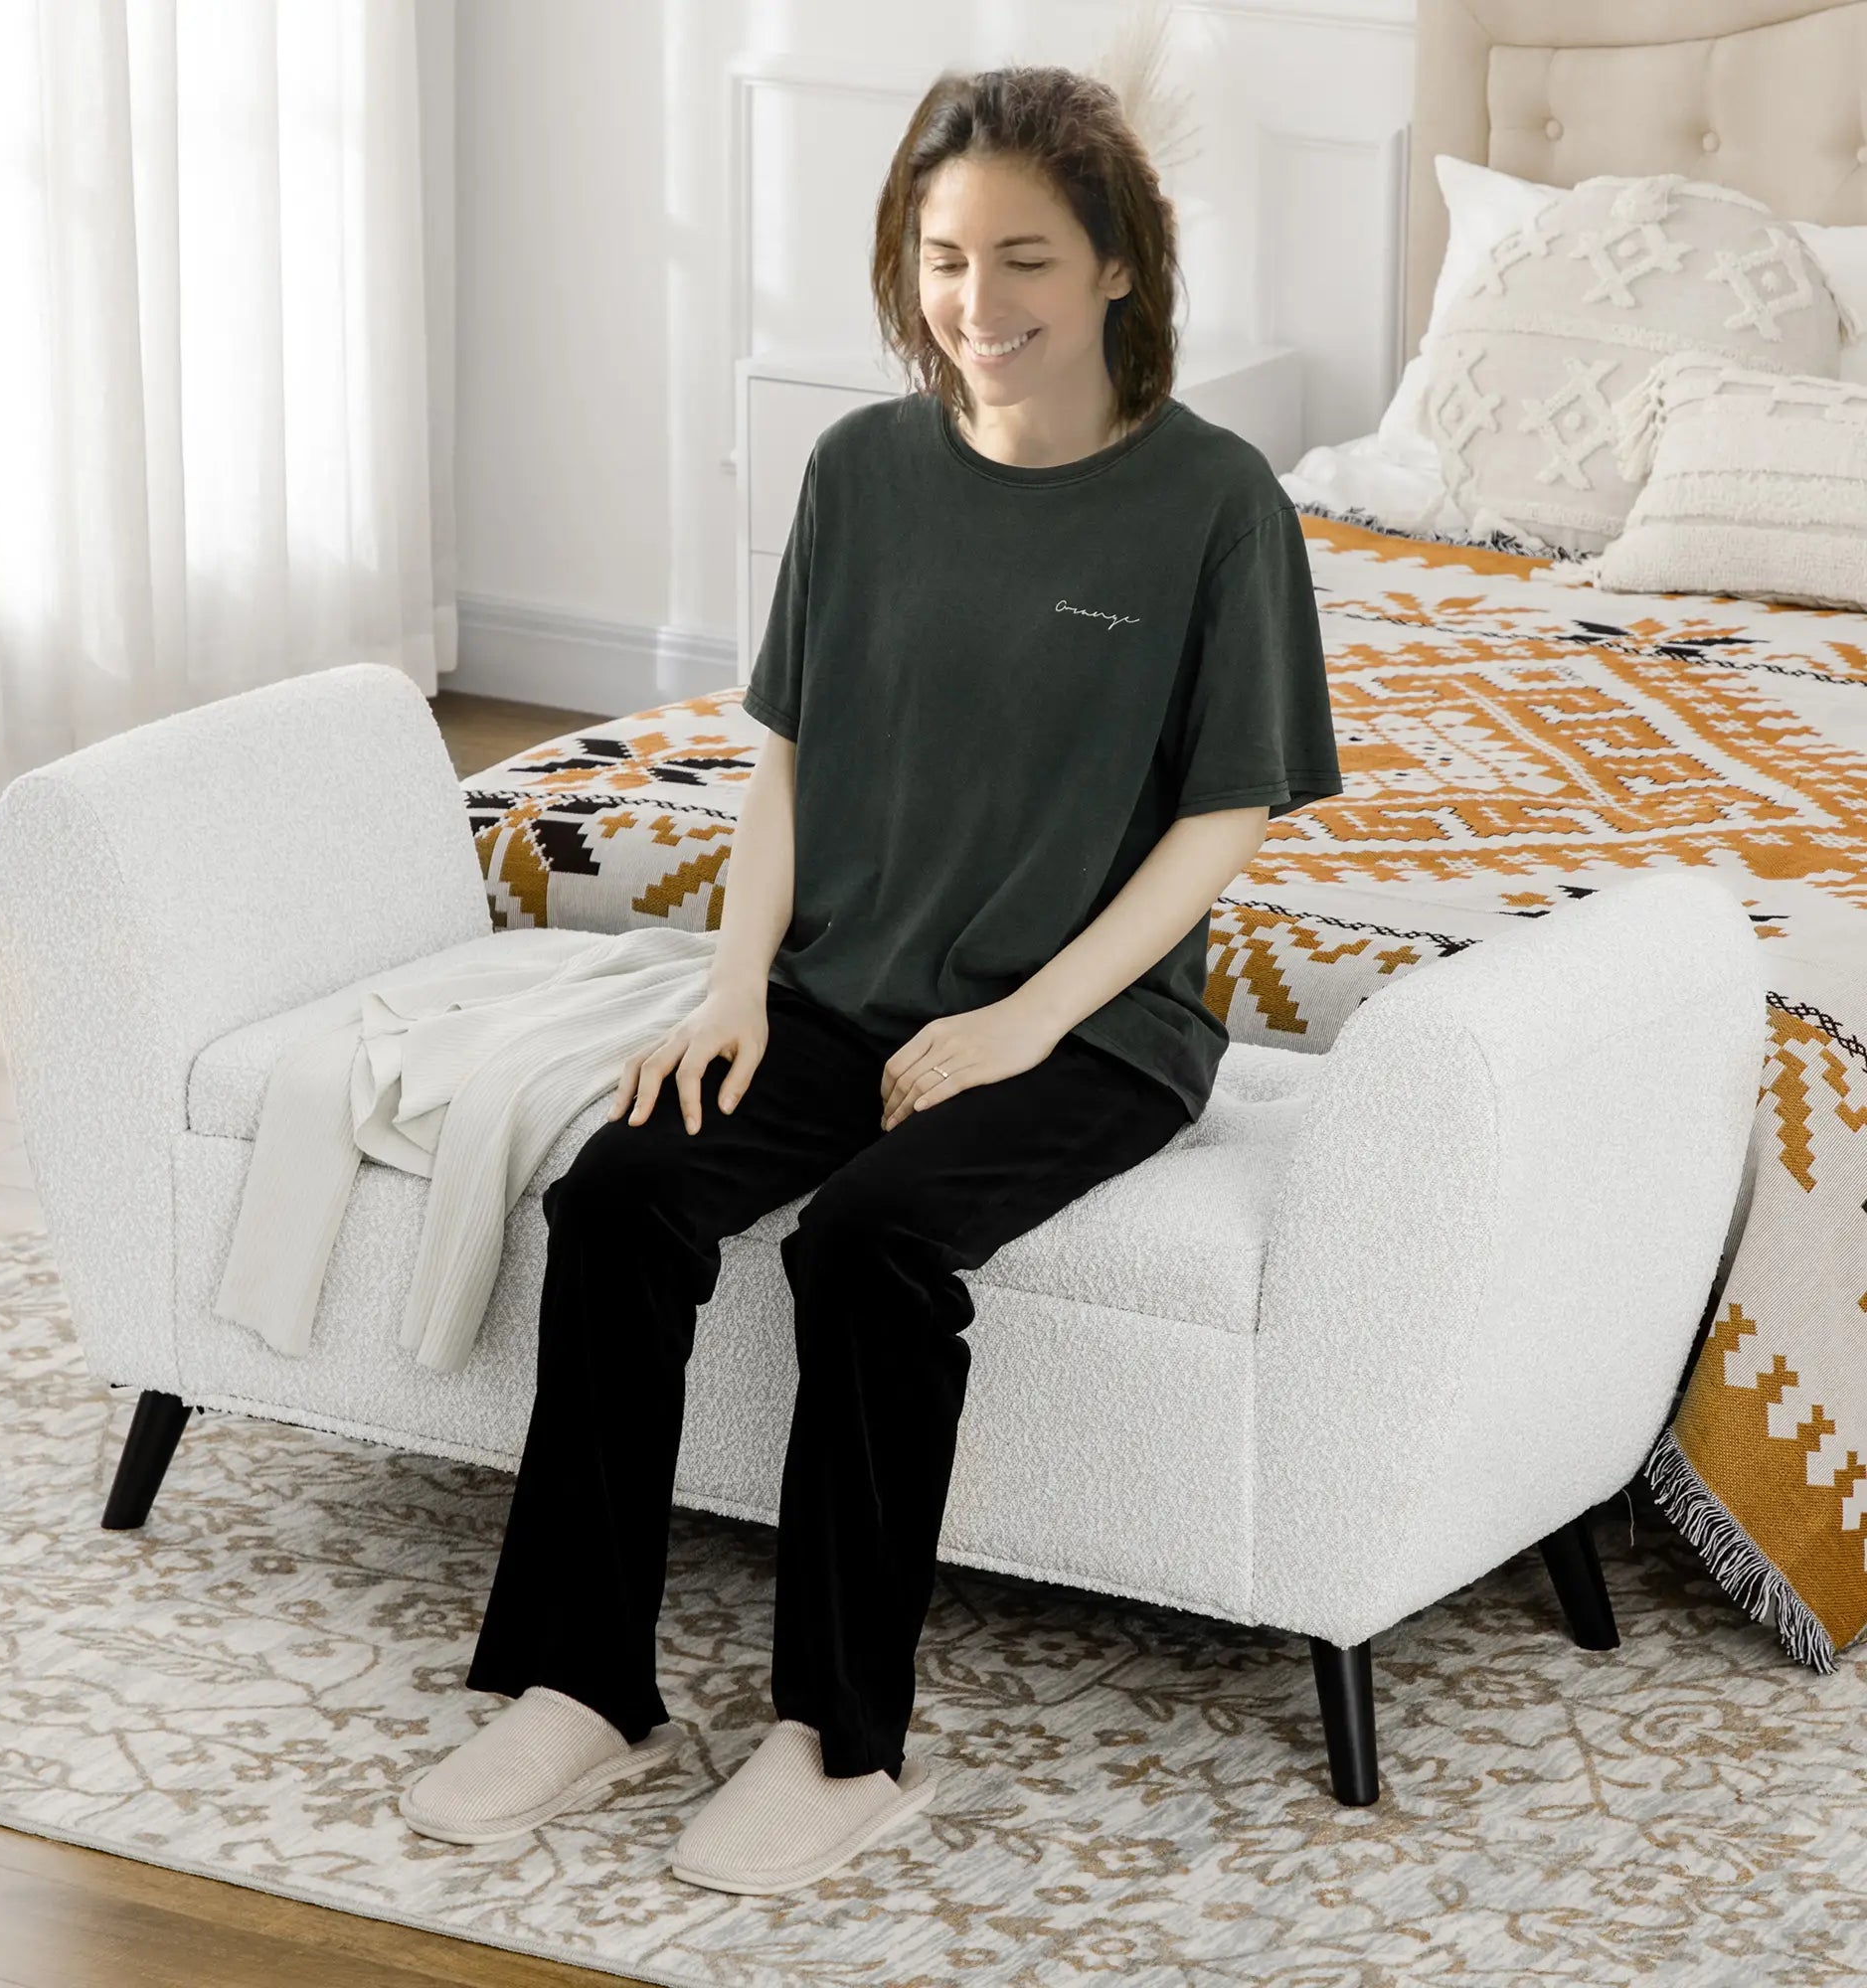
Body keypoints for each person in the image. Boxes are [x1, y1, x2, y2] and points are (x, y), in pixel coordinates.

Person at [400, 61, 1344, 1895]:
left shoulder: (1218, 503)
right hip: (840, 986)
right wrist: (736, 980)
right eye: (940, 260)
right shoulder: (861, 469)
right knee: (620, 1195)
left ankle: (842, 1742)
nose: (976, 309)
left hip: (1094, 1024)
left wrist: (1025, 1021)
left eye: (1024, 262)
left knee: (873, 1244)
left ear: (1121, 267)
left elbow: (1230, 815)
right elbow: (792, 760)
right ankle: (586, 1686)